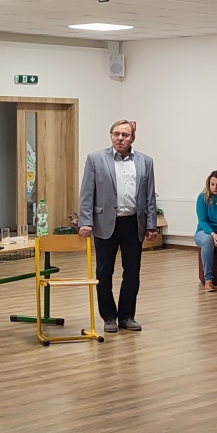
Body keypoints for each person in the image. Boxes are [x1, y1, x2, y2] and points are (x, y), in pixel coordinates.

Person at [78, 119, 159, 333]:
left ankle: (126, 316)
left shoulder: (145, 162)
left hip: (133, 223)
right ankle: (108, 317)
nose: (120, 138)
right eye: (116, 134)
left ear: (132, 138)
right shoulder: (95, 159)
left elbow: (149, 196)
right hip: (105, 223)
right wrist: (85, 221)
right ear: (111, 136)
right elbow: (86, 193)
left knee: (132, 272)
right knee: (104, 272)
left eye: (125, 135)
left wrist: (151, 225)